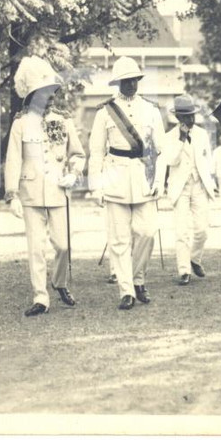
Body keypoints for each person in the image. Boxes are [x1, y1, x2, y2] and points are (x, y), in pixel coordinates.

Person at [4, 56, 86, 317]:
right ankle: (40, 297)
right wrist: (11, 195)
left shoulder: (63, 121)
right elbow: (13, 160)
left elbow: (77, 154)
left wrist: (74, 173)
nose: (51, 96)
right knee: (36, 248)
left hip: (57, 191)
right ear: (32, 95)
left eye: (53, 91)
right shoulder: (20, 124)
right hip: (30, 193)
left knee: (63, 245)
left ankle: (59, 282)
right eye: (44, 92)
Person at [88, 56, 165, 310]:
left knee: (147, 232)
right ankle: (126, 290)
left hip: (143, 178)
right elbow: (97, 152)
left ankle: (138, 278)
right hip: (115, 179)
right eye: (126, 80)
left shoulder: (152, 110)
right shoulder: (104, 112)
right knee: (119, 239)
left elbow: (159, 151)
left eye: (134, 79)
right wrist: (96, 186)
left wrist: (158, 181)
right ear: (118, 83)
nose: (131, 84)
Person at [159, 95, 217, 286]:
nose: (189, 120)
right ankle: (184, 270)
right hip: (180, 188)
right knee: (182, 231)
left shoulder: (201, 134)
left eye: (191, 115)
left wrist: (210, 179)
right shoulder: (169, 137)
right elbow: (171, 161)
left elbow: (207, 158)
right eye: (185, 116)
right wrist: (182, 139)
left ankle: (194, 259)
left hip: (199, 185)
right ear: (177, 117)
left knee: (203, 230)